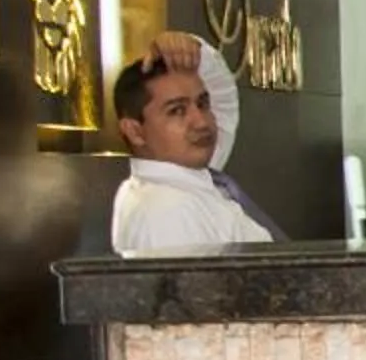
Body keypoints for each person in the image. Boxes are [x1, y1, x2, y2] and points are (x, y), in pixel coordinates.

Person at [110, 31, 282, 254]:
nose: (201, 122)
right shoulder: (167, 210)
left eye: (202, 104)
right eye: (177, 111)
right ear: (135, 131)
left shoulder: (188, 180)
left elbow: (223, 94)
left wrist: (192, 51)